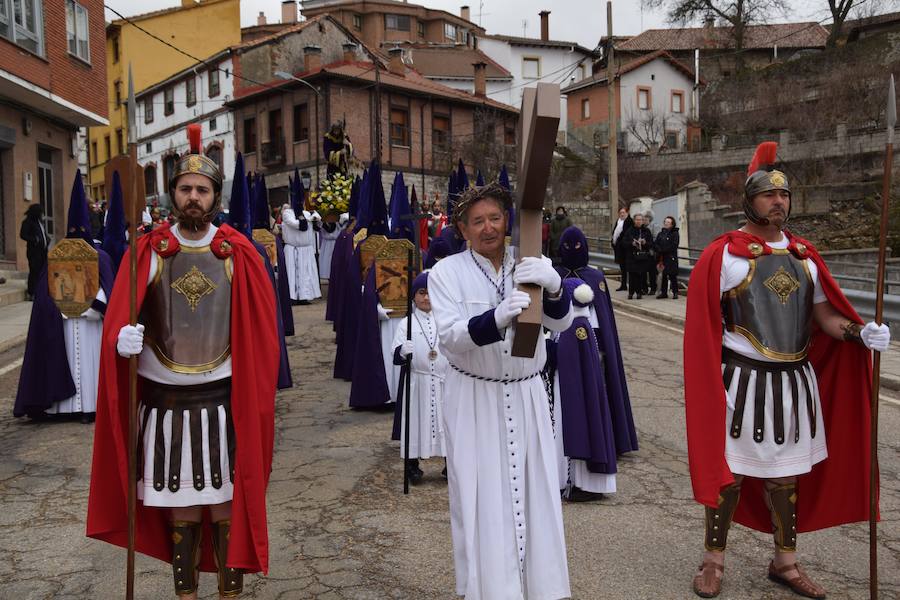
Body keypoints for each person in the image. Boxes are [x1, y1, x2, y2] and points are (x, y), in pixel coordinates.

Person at [684, 142, 890, 599]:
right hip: (741, 380)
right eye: (767, 194)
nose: (779, 201)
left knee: (786, 476)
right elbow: (703, 330)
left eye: (785, 195)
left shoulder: (805, 258)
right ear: (749, 201)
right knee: (731, 474)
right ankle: (713, 561)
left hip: (794, 382)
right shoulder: (726, 256)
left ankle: (785, 562)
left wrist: (859, 334)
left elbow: (825, 318)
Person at [86, 126, 280, 600]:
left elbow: (261, 333)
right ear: (172, 193)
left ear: (215, 197)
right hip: (167, 407)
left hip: (221, 404)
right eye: (185, 189)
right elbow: (119, 320)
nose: (193, 197)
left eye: (203, 190)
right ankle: (186, 596)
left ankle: (229, 595)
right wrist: (120, 340)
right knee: (182, 509)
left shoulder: (238, 254)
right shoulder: (148, 252)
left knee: (226, 506)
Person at [428, 183, 574, 600]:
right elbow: (452, 336)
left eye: (494, 218)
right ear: (462, 228)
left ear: (506, 220)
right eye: (478, 221)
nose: (488, 228)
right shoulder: (445, 273)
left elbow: (560, 325)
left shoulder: (528, 263)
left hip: (527, 394)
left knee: (537, 494)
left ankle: (542, 590)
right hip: (474, 398)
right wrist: (493, 319)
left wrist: (555, 286)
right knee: (481, 499)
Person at [14, 171, 114, 423]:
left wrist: (93, 304)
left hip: (92, 324)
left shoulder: (100, 257)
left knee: (90, 366)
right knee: (67, 360)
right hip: (64, 324)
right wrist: (61, 306)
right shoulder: (56, 257)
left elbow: (108, 291)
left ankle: (91, 405)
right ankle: (65, 407)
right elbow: (44, 296)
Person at [553, 226, 638, 501]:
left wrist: (601, 351)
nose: (573, 251)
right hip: (562, 351)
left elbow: (604, 321)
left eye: (578, 246)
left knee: (596, 397)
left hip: (594, 351)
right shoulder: (554, 277)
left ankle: (610, 439)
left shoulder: (595, 277)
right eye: (569, 246)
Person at [391, 271, 448, 483]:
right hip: (418, 381)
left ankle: (450, 464)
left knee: (446, 421)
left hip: (443, 381)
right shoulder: (406, 324)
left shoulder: (445, 319)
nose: (426, 298)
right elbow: (395, 356)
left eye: (431, 293)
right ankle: (412, 465)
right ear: (414, 296)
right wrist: (402, 351)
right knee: (415, 421)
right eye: (422, 293)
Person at [281, 200, 322, 305]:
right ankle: (292, 297)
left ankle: (304, 296)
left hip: (305, 249)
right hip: (293, 248)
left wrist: (315, 218)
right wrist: (310, 218)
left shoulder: (308, 214)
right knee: (292, 274)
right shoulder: (287, 213)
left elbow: (318, 225)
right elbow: (296, 224)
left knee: (306, 274)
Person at [20, 203, 48, 301]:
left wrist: (47, 239)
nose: (42, 214)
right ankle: (31, 292)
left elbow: (43, 234)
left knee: (42, 271)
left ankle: (40, 291)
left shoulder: (39, 222)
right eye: (40, 212)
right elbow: (23, 235)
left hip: (43, 251)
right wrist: (34, 239)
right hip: (34, 252)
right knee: (34, 271)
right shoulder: (27, 222)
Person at [622, 213, 653, 299]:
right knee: (632, 275)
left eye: (640, 220)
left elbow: (651, 244)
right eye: (637, 220)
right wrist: (632, 243)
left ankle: (639, 292)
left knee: (640, 275)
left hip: (642, 256)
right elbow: (624, 242)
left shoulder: (646, 231)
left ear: (643, 221)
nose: (639, 221)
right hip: (631, 256)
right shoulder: (629, 230)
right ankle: (631, 293)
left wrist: (644, 242)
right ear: (634, 220)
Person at [654, 216, 680, 299]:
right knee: (663, 275)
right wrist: (659, 249)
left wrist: (663, 250)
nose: (666, 223)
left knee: (672, 275)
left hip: (671, 257)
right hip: (662, 258)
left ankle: (675, 292)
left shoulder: (675, 233)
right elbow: (656, 243)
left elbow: (674, 245)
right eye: (665, 222)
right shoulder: (661, 233)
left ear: (672, 224)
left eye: (668, 222)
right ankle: (664, 292)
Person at [611, 207, 632, 291]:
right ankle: (623, 285)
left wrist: (619, 241)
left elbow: (625, 234)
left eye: (623, 212)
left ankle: (629, 285)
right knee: (622, 268)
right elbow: (614, 232)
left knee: (628, 268)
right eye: (620, 213)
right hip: (618, 248)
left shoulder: (629, 221)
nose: (622, 214)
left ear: (627, 213)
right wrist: (613, 241)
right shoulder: (618, 221)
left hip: (625, 248)